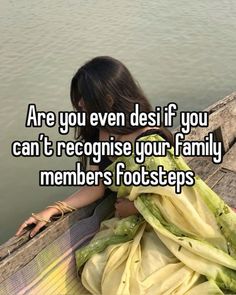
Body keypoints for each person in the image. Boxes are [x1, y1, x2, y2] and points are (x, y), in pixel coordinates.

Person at [16, 56, 236, 294]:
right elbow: (95, 187)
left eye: (84, 98)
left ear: (108, 99)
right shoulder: (98, 133)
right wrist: (53, 209)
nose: (79, 104)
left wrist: (136, 208)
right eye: (78, 97)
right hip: (132, 223)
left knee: (144, 284)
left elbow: (176, 196)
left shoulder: (149, 140)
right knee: (96, 270)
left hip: (168, 227)